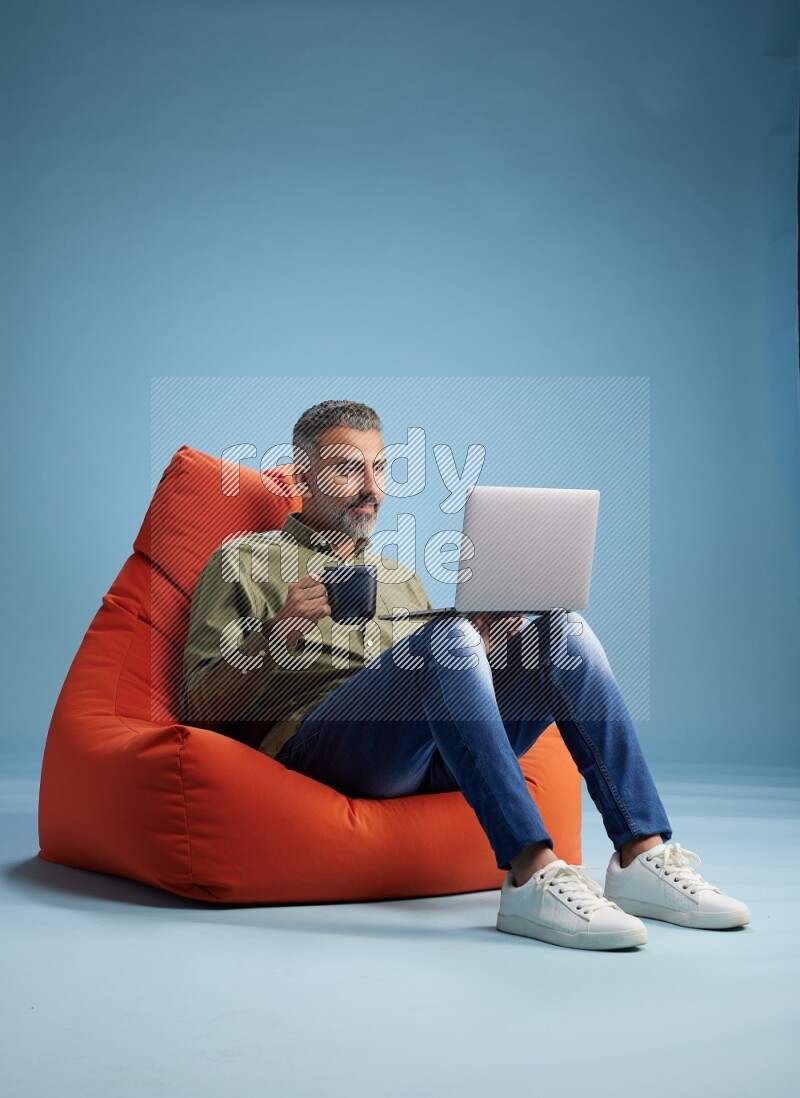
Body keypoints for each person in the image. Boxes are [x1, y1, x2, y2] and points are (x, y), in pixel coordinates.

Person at [181, 399, 750, 951]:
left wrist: (487, 642)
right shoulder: (244, 560)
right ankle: (530, 873)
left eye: (379, 468)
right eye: (348, 469)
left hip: (429, 754)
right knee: (448, 639)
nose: (371, 489)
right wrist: (280, 633)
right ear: (303, 475)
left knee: (562, 631)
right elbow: (201, 706)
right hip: (326, 746)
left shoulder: (398, 576)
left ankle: (640, 854)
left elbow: (442, 682)